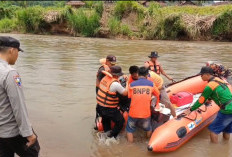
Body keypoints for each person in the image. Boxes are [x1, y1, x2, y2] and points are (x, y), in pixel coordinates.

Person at [0, 36, 40, 156]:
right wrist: (29, 133)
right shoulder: (10, 73)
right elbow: (18, 106)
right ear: (12, 50)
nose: (18, 55)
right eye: (18, 51)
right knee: (33, 152)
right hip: (12, 131)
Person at [186, 66, 232, 143]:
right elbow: (219, 93)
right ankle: (225, 148)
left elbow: (201, 101)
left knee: (213, 130)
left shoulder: (209, 86)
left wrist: (190, 109)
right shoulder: (219, 80)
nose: (200, 77)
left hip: (226, 110)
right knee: (226, 130)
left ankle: (214, 152)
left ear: (207, 74)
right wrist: (210, 99)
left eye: (201, 75)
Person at [126, 66, 160, 143]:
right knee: (148, 128)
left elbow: (129, 96)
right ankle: (147, 142)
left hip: (133, 113)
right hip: (145, 113)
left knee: (129, 130)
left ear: (138, 74)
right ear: (146, 75)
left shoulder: (131, 84)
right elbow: (157, 94)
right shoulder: (151, 84)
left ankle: (130, 146)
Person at [96, 66, 128, 138]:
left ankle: (106, 133)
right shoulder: (115, 84)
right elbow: (125, 93)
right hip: (109, 109)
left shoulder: (105, 78)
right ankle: (112, 136)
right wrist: (128, 83)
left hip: (100, 107)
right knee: (120, 121)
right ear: (117, 75)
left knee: (106, 121)